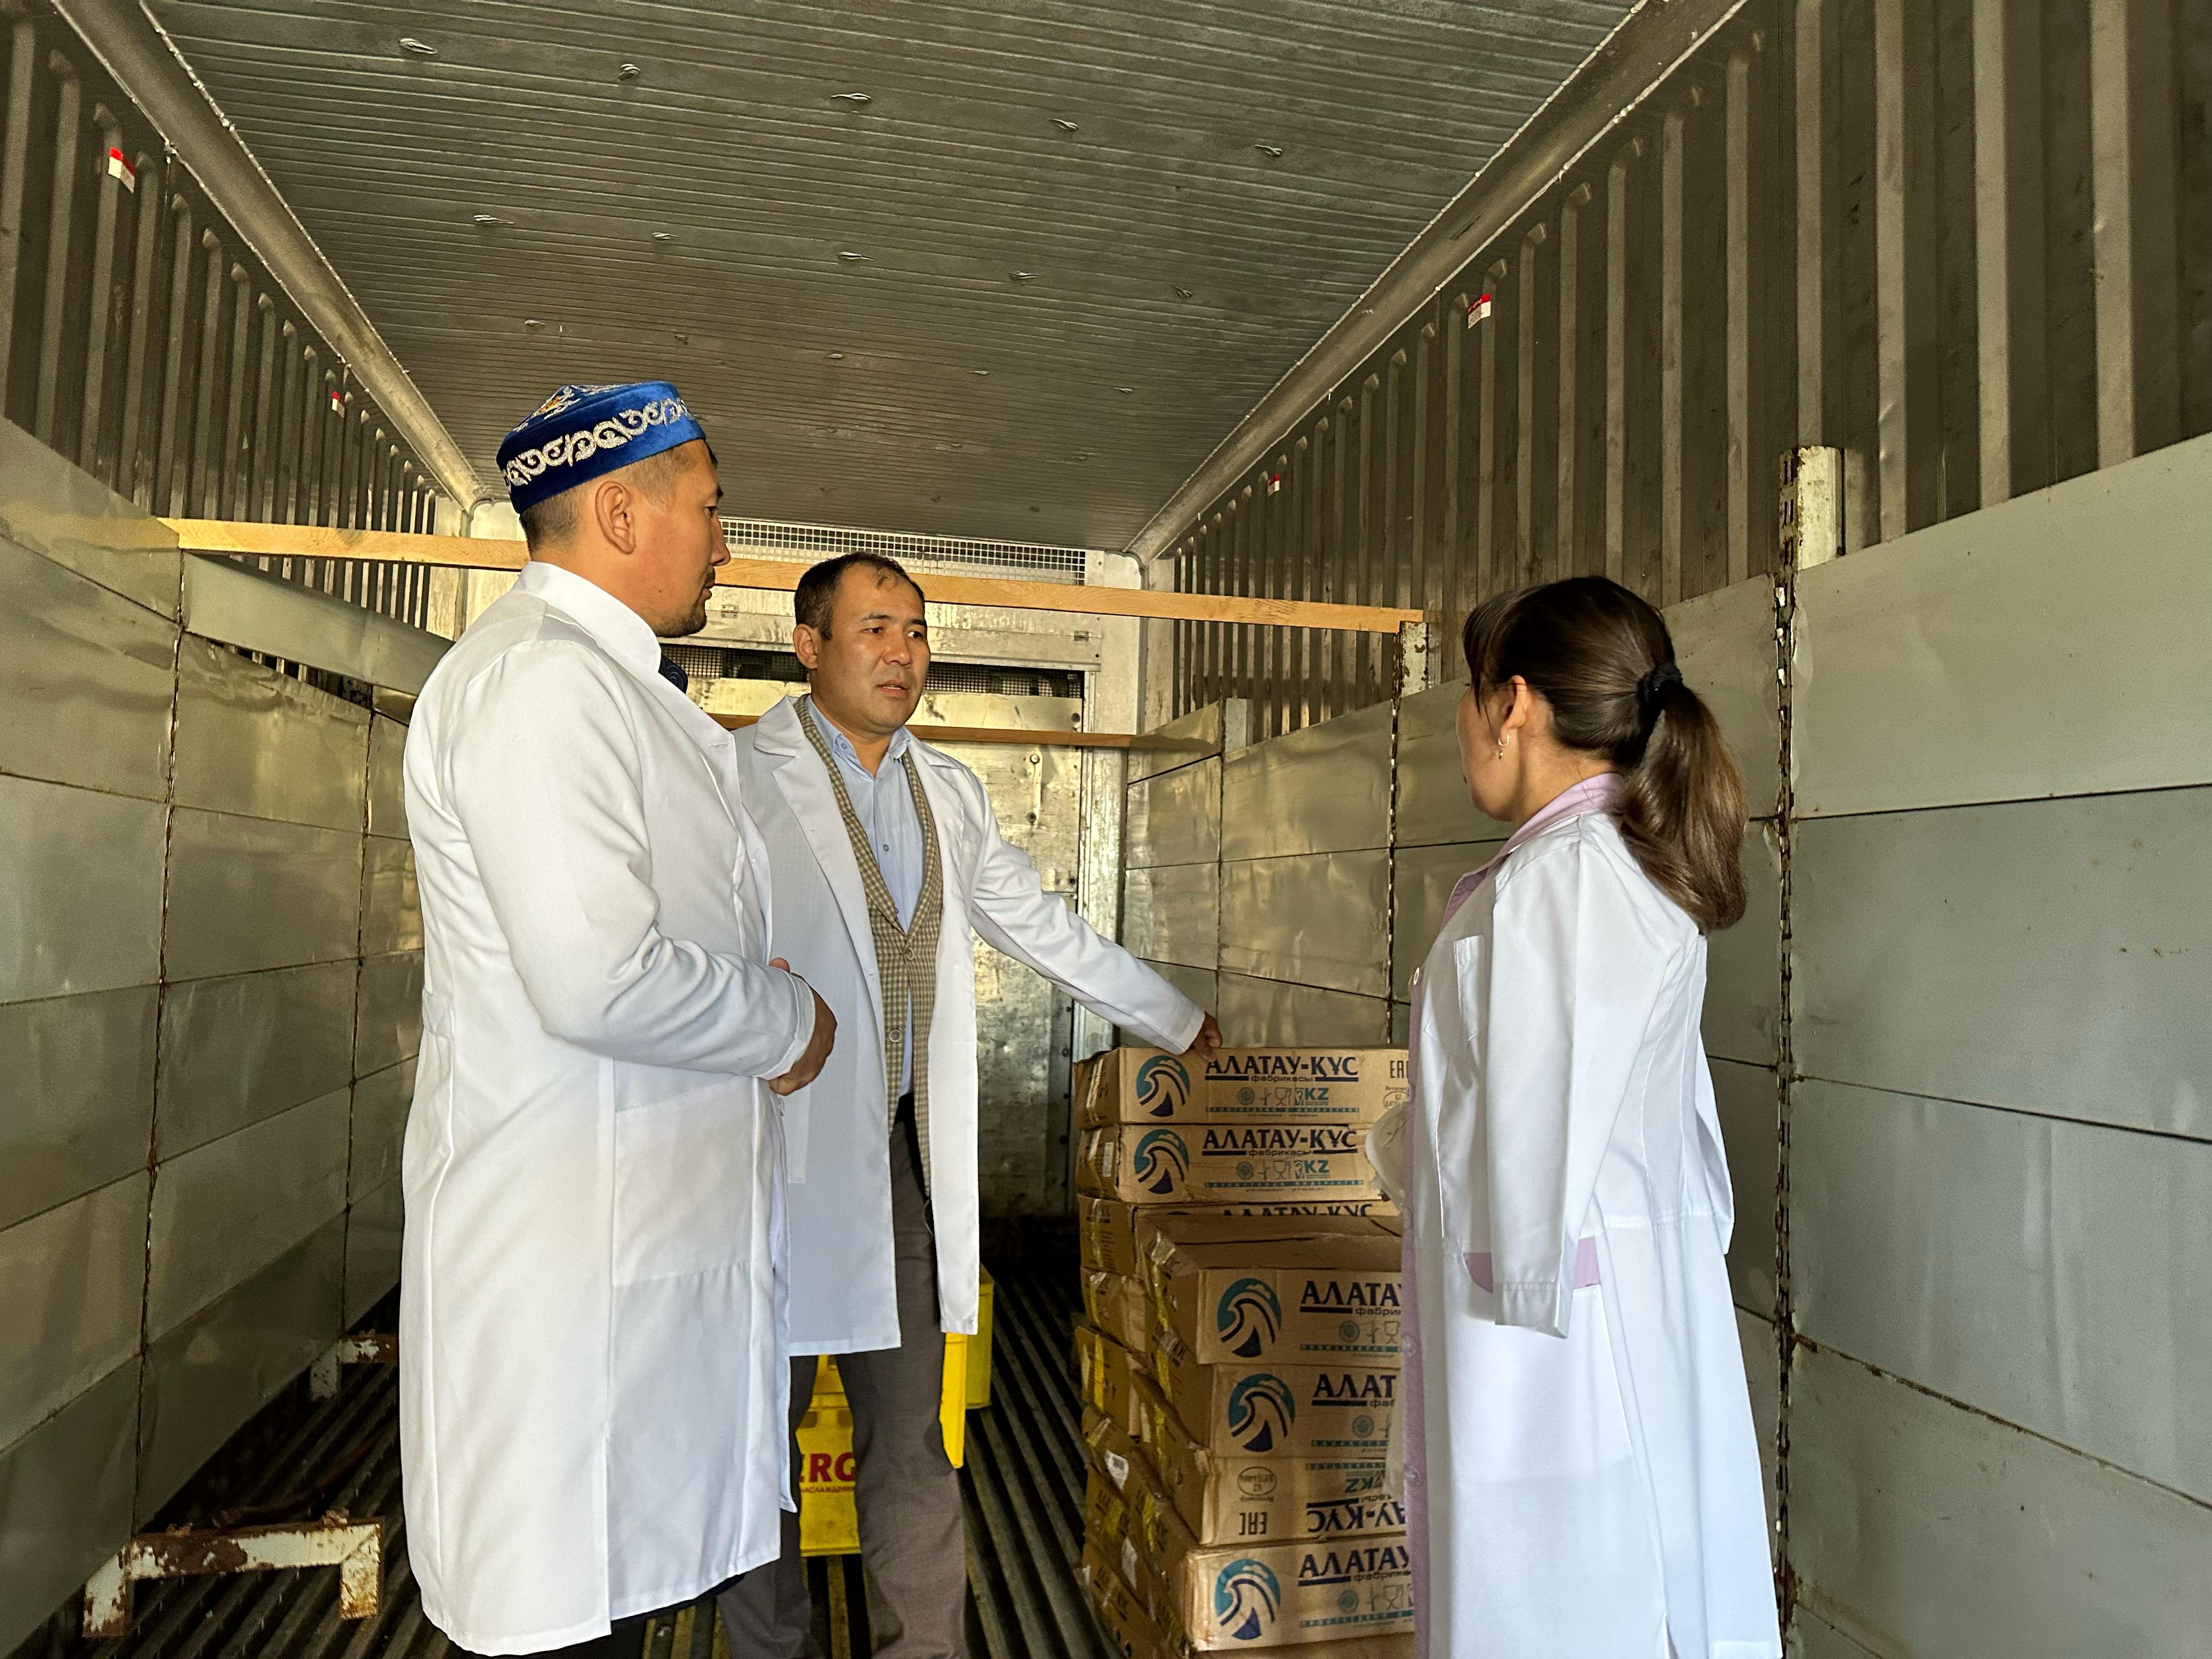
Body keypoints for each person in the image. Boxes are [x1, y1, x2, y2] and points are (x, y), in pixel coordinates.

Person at [399, 382, 837, 1658]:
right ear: (622, 512)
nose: (725, 544)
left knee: (614, 1599)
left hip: (626, 1267)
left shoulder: (607, 684)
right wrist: (788, 1023)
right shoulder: (539, 683)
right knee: (561, 1615)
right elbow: (597, 976)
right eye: (710, 509)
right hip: (564, 1287)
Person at [722, 552, 1220, 1658]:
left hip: (900, 1167)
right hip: (763, 1159)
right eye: (874, 628)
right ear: (809, 646)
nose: (901, 652)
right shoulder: (737, 776)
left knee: (913, 1443)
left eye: (916, 631)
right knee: (753, 1446)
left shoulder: (946, 790)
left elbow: (1038, 924)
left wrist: (1173, 1019)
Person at [1398, 576, 1780, 1658]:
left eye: (1469, 696)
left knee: (1576, 1607)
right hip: (1571, 1310)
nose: (1462, 728)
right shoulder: (1586, 865)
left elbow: (1536, 1146)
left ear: (1513, 704)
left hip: (1557, 1346)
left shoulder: (1570, 879)